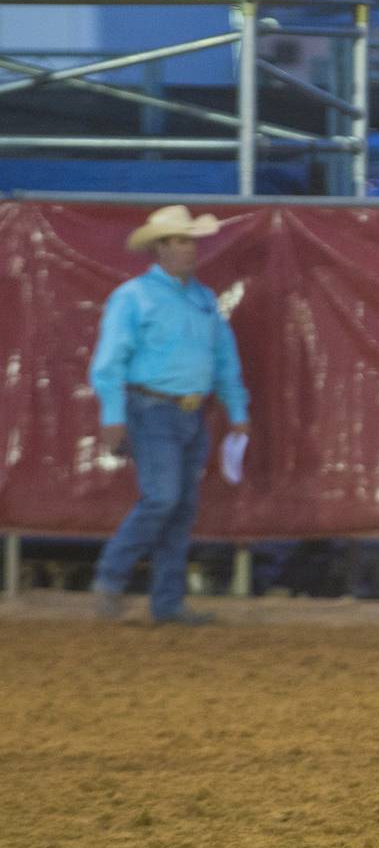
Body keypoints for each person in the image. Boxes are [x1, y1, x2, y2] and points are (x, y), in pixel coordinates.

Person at [89, 205, 251, 625]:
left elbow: (224, 358)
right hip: (152, 410)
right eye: (180, 241)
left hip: (188, 414)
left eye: (191, 241)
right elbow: (110, 361)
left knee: (178, 507)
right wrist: (112, 414)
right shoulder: (133, 296)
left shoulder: (202, 298)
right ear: (159, 248)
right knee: (164, 499)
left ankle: (167, 603)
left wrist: (237, 409)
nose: (189, 249)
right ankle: (109, 579)